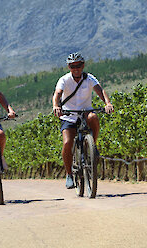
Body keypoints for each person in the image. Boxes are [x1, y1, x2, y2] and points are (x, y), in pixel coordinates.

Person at [52, 52, 114, 189]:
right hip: (68, 114)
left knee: (93, 117)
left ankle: (93, 146)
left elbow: (100, 91)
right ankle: (69, 174)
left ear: (83, 65)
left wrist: (107, 103)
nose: (76, 68)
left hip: (85, 112)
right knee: (67, 142)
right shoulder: (64, 80)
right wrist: (56, 106)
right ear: (69, 67)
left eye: (78, 65)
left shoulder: (89, 78)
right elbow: (57, 94)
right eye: (73, 66)